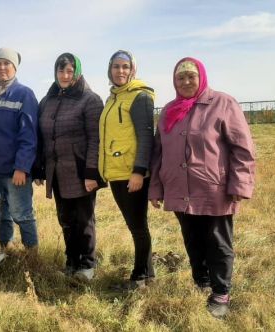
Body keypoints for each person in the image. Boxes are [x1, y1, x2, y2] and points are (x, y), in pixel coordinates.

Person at [148, 57, 255, 318]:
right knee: (192, 238)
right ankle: (202, 282)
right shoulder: (169, 110)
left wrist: (239, 183)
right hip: (178, 187)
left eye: (191, 76)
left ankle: (221, 291)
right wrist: (156, 188)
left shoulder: (222, 103)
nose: (185, 81)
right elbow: (158, 153)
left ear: (202, 77)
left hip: (213, 188)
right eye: (180, 77)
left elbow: (243, 148)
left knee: (217, 241)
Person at [33, 53, 104, 280]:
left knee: (84, 219)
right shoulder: (47, 100)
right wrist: (39, 168)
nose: (65, 75)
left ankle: (87, 264)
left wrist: (92, 172)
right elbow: (42, 137)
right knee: (65, 219)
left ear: (77, 73)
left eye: (70, 71)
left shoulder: (90, 100)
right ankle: (71, 261)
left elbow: (96, 139)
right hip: (57, 171)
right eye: (61, 71)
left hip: (81, 170)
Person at [98, 50, 156, 288]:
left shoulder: (139, 97)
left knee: (138, 227)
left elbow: (146, 137)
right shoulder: (112, 97)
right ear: (109, 70)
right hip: (117, 172)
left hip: (131, 173)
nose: (120, 71)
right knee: (136, 225)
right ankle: (148, 275)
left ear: (133, 69)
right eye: (116, 67)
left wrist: (138, 171)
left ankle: (139, 276)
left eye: (125, 67)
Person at [0, 47, 39, 254]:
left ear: (15, 67)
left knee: (21, 213)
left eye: (6, 63)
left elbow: (29, 135)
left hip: (14, 170)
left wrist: (22, 167)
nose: (2, 67)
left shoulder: (24, 94)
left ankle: (32, 254)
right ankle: (7, 249)